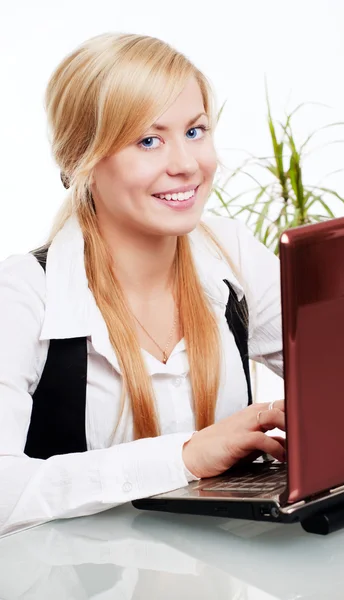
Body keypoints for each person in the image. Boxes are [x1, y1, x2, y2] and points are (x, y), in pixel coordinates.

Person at [0, 32, 285, 537]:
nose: (186, 164)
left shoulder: (231, 254)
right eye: (148, 140)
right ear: (81, 160)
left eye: (195, 131)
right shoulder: (25, 293)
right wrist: (184, 456)